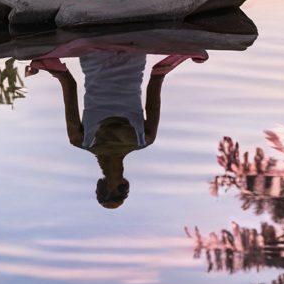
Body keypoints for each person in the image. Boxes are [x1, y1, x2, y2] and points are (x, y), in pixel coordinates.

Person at [27, 45, 205, 208]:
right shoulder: (81, 140)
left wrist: (186, 52)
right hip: (96, 53)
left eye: (113, 190)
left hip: (129, 51)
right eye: (118, 190)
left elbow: (158, 74)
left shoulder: (143, 139)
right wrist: (43, 64)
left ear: (122, 185)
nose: (116, 186)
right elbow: (67, 80)